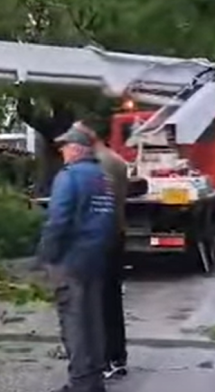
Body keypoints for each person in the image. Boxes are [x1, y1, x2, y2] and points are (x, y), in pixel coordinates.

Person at [37, 124, 116, 392]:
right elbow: (108, 219)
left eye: (65, 147)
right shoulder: (102, 178)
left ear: (76, 149)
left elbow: (58, 221)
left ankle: (81, 382)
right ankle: (95, 379)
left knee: (74, 322)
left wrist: (47, 256)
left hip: (71, 260)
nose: (62, 152)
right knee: (94, 319)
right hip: (97, 258)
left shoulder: (68, 177)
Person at [72, 122, 129, 379]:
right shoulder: (115, 160)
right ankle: (117, 355)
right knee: (111, 299)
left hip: (100, 238)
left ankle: (106, 357)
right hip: (115, 234)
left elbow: (94, 204)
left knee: (98, 302)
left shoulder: (99, 164)